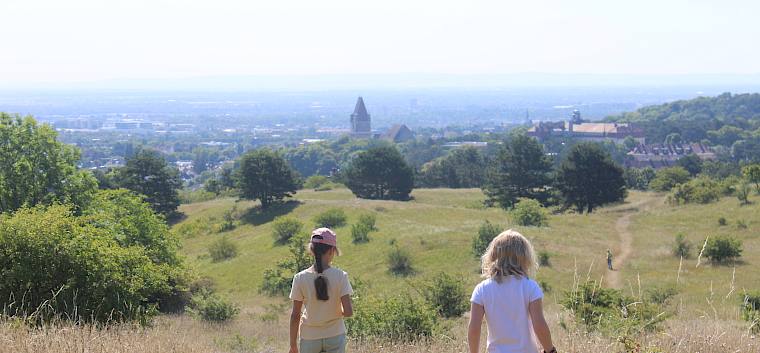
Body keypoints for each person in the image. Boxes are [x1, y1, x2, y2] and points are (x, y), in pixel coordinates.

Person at [467, 229, 556, 353]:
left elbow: (474, 329)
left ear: (493, 256)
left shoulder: (481, 289)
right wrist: (550, 350)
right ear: (525, 257)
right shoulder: (530, 287)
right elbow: (539, 325)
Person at [289, 228, 354, 353]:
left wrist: (293, 345)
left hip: (309, 337)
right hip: (335, 335)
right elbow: (348, 312)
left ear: (312, 250)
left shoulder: (299, 278)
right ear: (331, 251)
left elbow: (295, 315)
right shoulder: (341, 276)